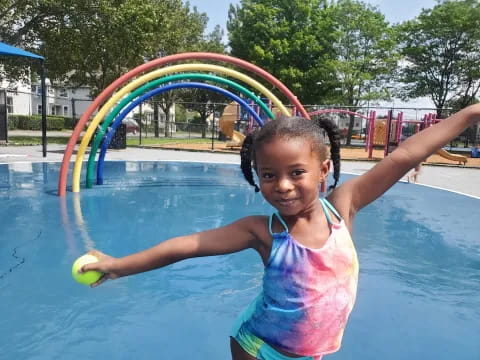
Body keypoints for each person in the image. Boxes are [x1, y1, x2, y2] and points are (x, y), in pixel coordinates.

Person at [80, 104, 480, 360]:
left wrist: (471, 114)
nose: (283, 186)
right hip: (258, 348)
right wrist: (118, 266)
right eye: (269, 175)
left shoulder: (343, 207)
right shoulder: (263, 232)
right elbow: (188, 246)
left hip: (311, 351)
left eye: (297, 173)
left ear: (323, 171)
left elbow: (406, 154)